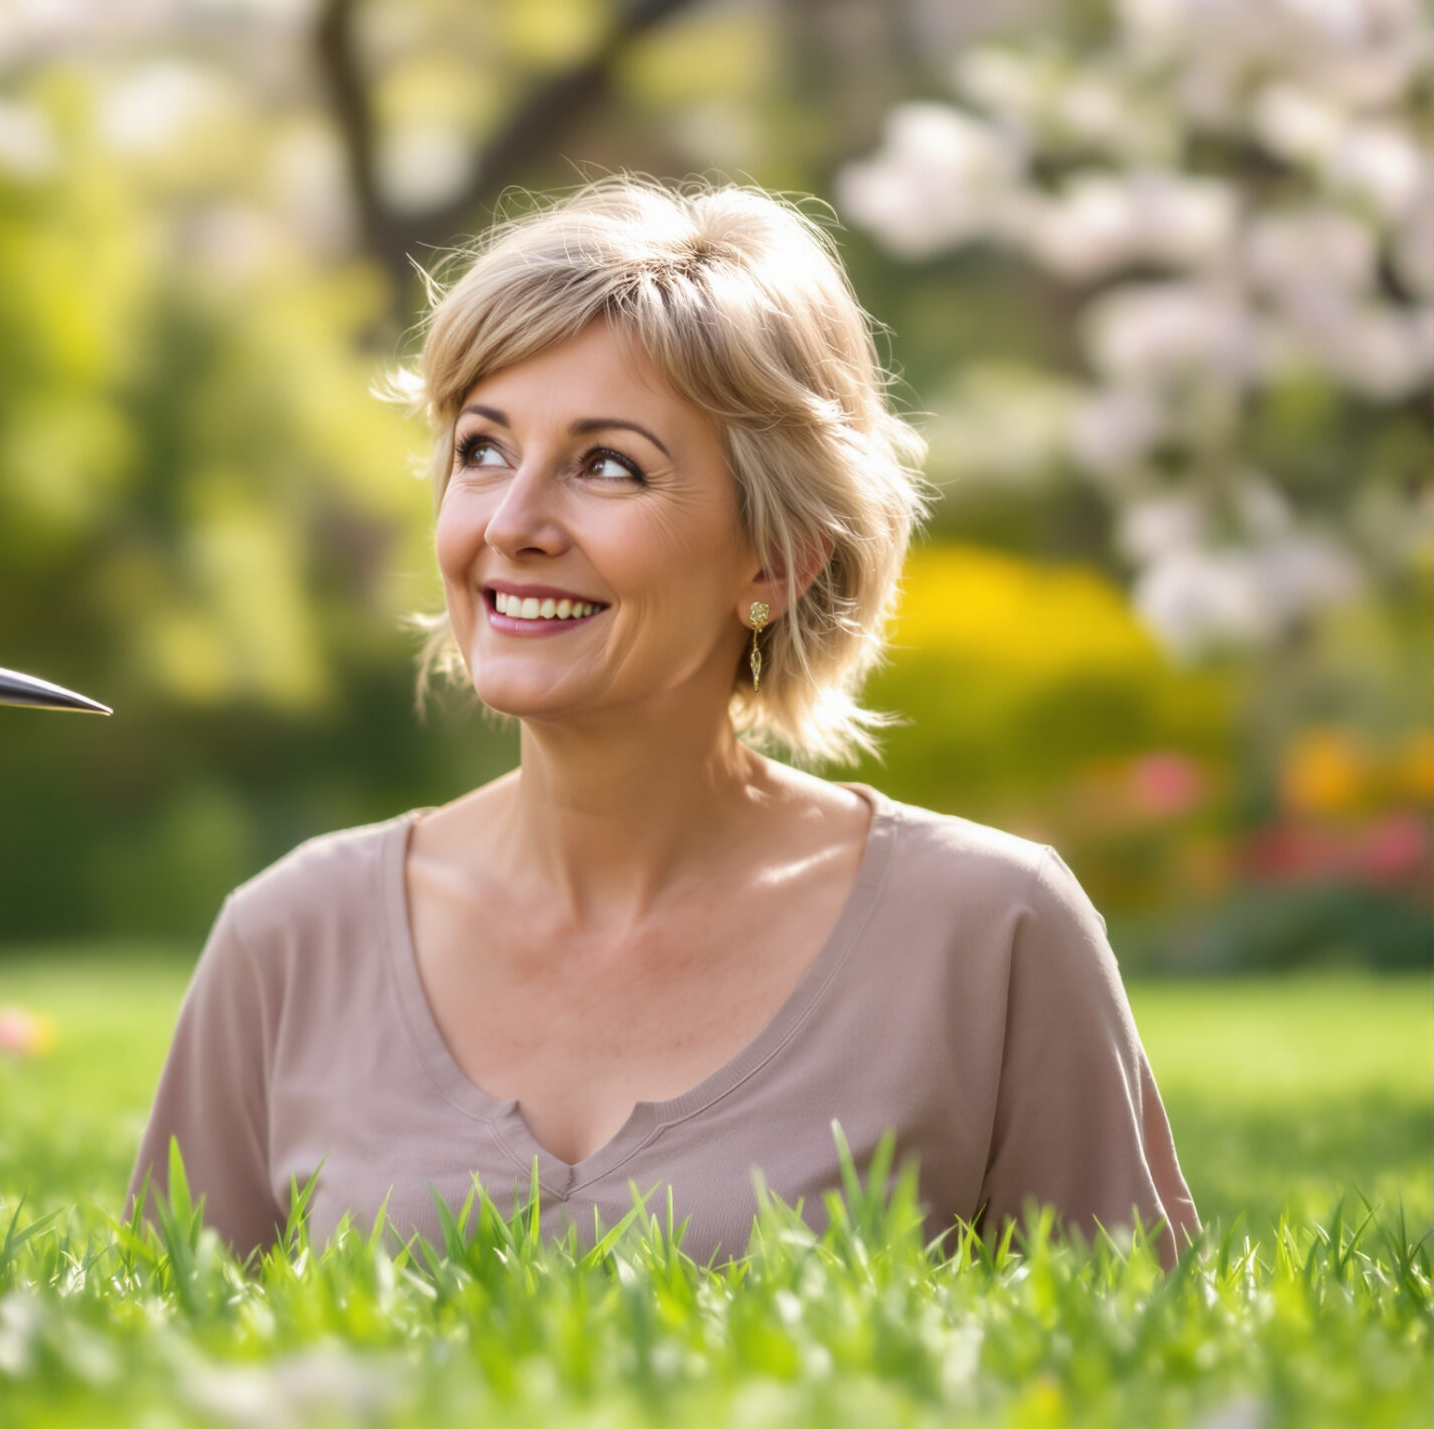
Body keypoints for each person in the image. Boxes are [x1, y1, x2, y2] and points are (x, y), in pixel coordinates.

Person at [128, 176, 1200, 1270]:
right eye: (483, 449)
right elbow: (162, 1347)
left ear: (778, 561)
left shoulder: (992, 932)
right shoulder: (288, 940)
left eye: (607, 465)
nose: (512, 523)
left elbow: (1127, 1349)